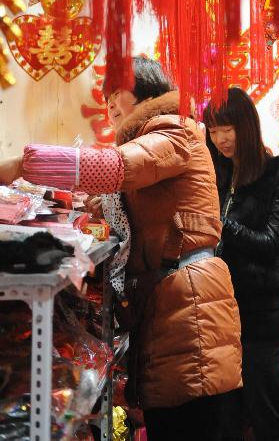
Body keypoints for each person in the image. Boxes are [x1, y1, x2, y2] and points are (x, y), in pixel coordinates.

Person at [0, 57, 242, 440]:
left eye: (117, 93)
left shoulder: (173, 131)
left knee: (194, 416)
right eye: (106, 97)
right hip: (169, 297)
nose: (110, 105)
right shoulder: (158, 137)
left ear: (147, 89)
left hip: (187, 297)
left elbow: (116, 167)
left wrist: (21, 165)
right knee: (177, 416)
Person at [204, 87, 279, 441]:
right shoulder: (214, 174)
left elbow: (271, 244)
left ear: (247, 125)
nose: (221, 138)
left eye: (228, 128)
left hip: (260, 314)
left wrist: (220, 223)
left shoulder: (277, 172)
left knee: (268, 416)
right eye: (213, 130)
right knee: (223, 419)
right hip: (218, 312)